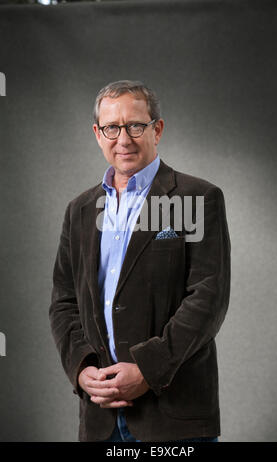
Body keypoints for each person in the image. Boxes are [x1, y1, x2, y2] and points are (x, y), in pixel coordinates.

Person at [49, 80, 231, 442]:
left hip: (173, 417)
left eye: (135, 125)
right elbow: (64, 301)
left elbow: (208, 298)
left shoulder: (197, 197)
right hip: (100, 416)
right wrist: (81, 368)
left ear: (157, 129)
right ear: (98, 134)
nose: (124, 139)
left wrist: (148, 370)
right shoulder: (80, 211)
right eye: (111, 128)